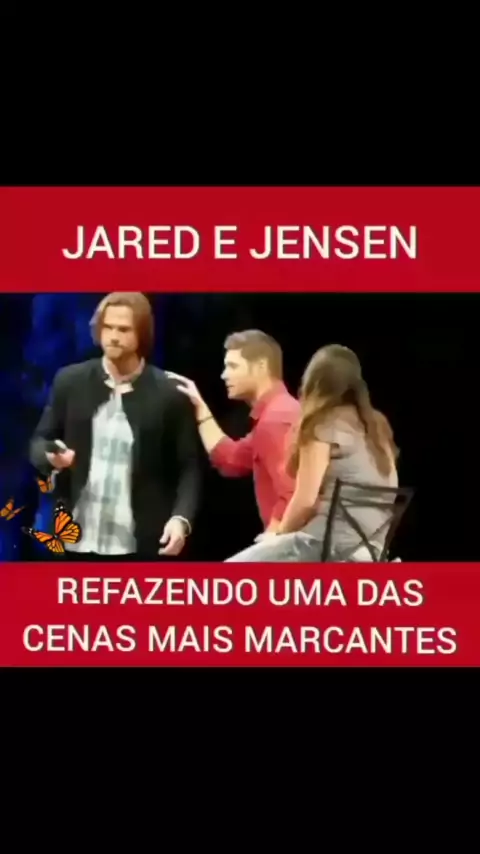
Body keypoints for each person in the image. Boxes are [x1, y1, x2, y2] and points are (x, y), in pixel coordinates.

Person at [29, 292, 202, 560]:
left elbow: (189, 466)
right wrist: (50, 456)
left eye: (123, 329)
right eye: (107, 327)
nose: (113, 336)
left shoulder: (168, 392)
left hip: (141, 544)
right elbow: (39, 442)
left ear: (142, 334)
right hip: (74, 541)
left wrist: (181, 519)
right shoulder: (70, 381)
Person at [223, 344, 399, 562]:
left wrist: (278, 536)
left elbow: (305, 501)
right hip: (372, 552)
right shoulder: (377, 428)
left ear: (314, 383)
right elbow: (390, 491)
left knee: (228, 573)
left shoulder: (322, 423)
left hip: (324, 545)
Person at [167, 330, 300, 539]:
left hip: (294, 543)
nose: (224, 375)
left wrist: (273, 535)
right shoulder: (275, 413)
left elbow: (293, 491)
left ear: (261, 366)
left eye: (233, 366)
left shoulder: (277, 418)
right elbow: (230, 459)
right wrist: (200, 407)